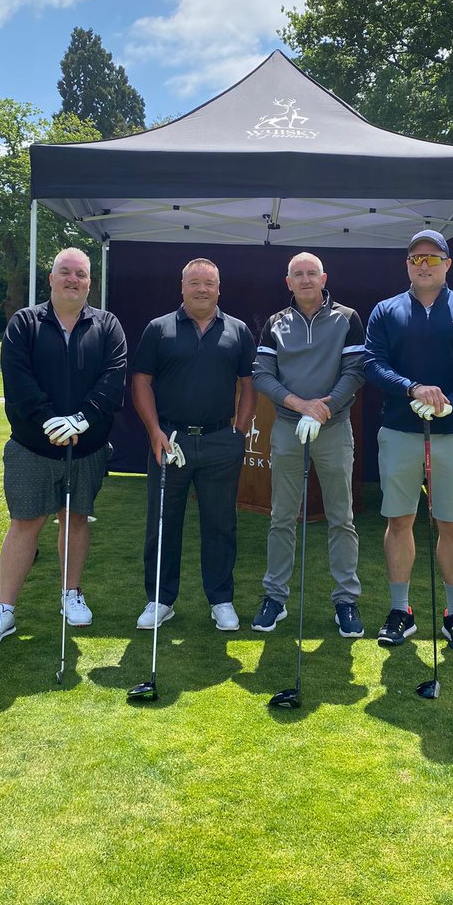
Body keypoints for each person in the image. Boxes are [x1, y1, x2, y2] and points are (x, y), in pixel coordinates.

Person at [0, 247, 127, 649]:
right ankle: (4, 609)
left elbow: (113, 379)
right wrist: (47, 420)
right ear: (51, 278)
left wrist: (83, 418)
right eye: (65, 272)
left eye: (80, 274)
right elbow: (18, 381)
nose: (73, 279)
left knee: (75, 518)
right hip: (32, 446)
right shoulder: (25, 322)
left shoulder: (107, 325)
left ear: (90, 282)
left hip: (87, 446)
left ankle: (70, 593)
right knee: (25, 522)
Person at [364, 230, 453, 653]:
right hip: (401, 430)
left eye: (433, 258)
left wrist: (450, 404)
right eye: (416, 257)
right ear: (407, 265)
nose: (424, 264)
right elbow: (372, 364)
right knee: (399, 520)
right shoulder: (386, 311)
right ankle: (400, 611)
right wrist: (412, 388)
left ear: (447, 265)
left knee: (452, 524)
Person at [131, 258, 256, 632]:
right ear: (181, 286)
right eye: (195, 282)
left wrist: (242, 429)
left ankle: (221, 600)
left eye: (209, 283)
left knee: (220, 524)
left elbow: (249, 384)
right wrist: (154, 431)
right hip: (170, 440)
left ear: (219, 288)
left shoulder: (238, 330)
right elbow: (141, 382)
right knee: (163, 523)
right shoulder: (159, 329)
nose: (202, 289)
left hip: (221, 441)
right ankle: (160, 599)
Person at [251, 252, 366, 638]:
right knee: (281, 516)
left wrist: (324, 409)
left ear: (323, 278)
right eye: (297, 274)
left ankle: (346, 600)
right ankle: (275, 598)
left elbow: (354, 372)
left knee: (341, 516)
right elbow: (263, 375)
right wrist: (301, 406)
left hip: (333, 428)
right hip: (287, 427)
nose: (304, 280)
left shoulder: (347, 318)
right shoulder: (274, 324)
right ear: (288, 282)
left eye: (311, 274)